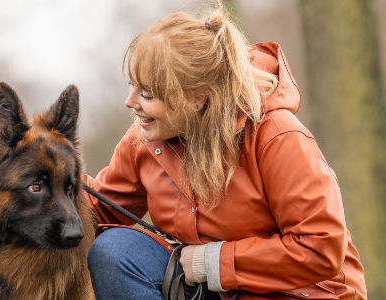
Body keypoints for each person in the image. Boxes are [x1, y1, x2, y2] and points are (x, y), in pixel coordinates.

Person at [81, 5, 368, 300]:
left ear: (197, 98)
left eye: (147, 94)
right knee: (115, 251)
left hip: (300, 293)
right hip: (213, 289)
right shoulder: (145, 138)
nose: (130, 102)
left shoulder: (279, 136)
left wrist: (212, 262)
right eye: (132, 86)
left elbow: (320, 248)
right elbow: (94, 211)